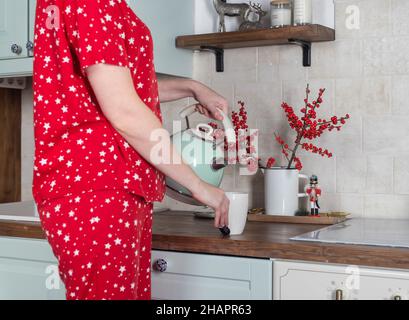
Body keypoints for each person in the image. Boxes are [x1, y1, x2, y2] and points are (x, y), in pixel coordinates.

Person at [33, 0, 229, 300]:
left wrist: (192, 86)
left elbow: (124, 86)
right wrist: (198, 185)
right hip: (97, 187)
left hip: (109, 186)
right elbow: (123, 109)